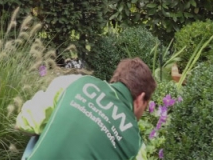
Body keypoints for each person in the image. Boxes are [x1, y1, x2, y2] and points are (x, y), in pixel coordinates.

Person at [16, 58, 157, 159]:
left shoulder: (73, 82)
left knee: (39, 133)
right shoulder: (136, 146)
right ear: (140, 99)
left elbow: (24, 123)